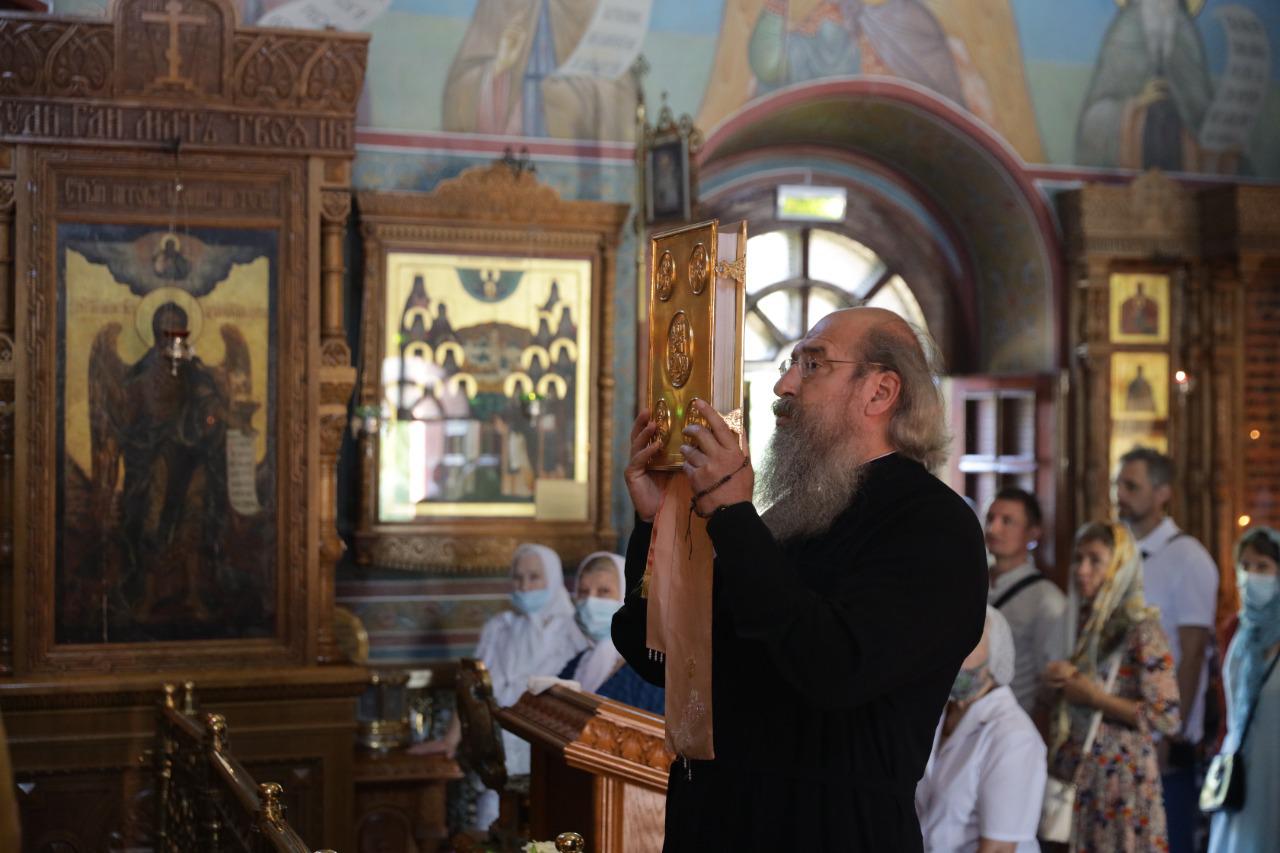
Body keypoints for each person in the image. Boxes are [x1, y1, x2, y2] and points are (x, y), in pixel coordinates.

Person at [613, 307, 988, 851]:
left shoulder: (933, 526)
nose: (784, 386)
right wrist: (660, 526)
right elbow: (663, 658)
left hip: (829, 830)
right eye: (791, 364)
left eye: (813, 364)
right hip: (718, 820)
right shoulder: (789, 516)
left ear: (880, 392)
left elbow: (833, 667)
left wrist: (733, 518)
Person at [414, 543, 585, 828]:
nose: (525, 586)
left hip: (545, 746)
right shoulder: (500, 626)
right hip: (496, 748)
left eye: (534, 577)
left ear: (553, 579)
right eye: (518, 577)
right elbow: (472, 688)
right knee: (491, 825)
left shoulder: (573, 630)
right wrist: (450, 739)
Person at [1043, 522, 1181, 852]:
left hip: (1121, 782)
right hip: (1077, 775)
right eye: (1078, 559)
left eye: (1095, 560)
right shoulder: (1078, 622)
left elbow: (1166, 717)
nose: (1082, 570)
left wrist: (1095, 697)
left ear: (1120, 567)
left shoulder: (1141, 629)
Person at [1115, 446, 1219, 853]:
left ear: (1162, 494)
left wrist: (1170, 734)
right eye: (1118, 485)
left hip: (1162, 736)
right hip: (1120, 726)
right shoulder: (1119, 550)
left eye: (1131, 486)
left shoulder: (1188, 558)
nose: (1120, 495)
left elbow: (1191, 655)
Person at [916, 606, 1046, 852]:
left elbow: (998, 848)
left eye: (968, 644)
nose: (953, 655)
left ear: (995, 655)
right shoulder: (936, 714)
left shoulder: (1013, 736)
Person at [1207, 527, 1280, 853]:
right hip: (1241, 764)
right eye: (1245, 566)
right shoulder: (1237, 632)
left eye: (1262, 566)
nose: (1251, 576)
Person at [984, 487, 1067, 714]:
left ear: (1033, 533)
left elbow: (1049, 681)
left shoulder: (1047, 600)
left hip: (1013, 717)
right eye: (990, 518)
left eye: (1007, 521)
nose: (993, 529)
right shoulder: (970, 582)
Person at [558, 552, 665, 715]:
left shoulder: (650, 670)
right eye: (583, 591)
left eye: (604, 591)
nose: (590, 601)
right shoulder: (578, 662)